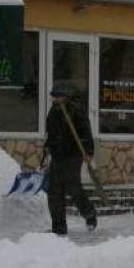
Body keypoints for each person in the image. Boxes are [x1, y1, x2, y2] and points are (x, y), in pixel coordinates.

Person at [44, 85, 97, 235]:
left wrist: (88, 152)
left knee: (72, 188)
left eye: (57, 96)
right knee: (54, 193)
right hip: (57, 156)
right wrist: (48, 146)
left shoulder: (75, 110)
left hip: (73, 155)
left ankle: (89, 212)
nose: (55, 99)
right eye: (54, 97)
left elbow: (86, 132)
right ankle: (59, 228)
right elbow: (51, 133)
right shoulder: (54, 112)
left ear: (66, 96)